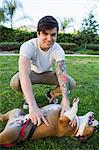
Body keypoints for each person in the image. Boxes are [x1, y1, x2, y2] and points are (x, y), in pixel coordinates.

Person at [10, 16, 76, 127]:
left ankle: (51, 95)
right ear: (38, 34)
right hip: (32, 74)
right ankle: (28, 98)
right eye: (45, 34)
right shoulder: (28, 46)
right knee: (16, 81)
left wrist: (65, 100)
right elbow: (24, 75)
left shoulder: (58, 49)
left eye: (53, 35)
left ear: (56, 35)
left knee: (71, 83)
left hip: (47, 74)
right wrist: (32, 105)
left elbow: (61, 74)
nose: (49, 39)